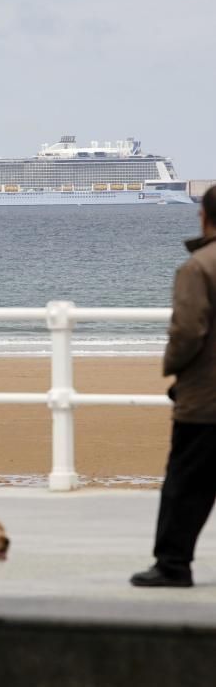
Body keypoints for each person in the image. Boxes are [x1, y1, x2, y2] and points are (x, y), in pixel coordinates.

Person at [131, 186, 216, 588]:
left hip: (207, 398)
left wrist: (171, 367)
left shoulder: (199, 267)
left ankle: (172, 564)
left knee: (187, 484)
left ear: (204, 216)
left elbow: (187, 332)